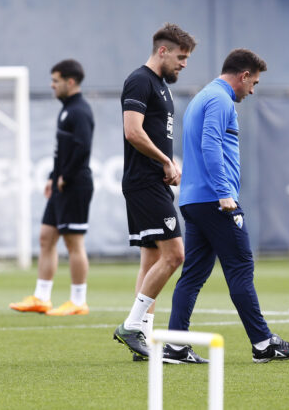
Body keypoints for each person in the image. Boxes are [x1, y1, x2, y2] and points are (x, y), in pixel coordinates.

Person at [165, 48, 289, 363]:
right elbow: (210, 144)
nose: (253, 90)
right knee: (241, 267)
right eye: (253, 83)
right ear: (242, 76)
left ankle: (175, 345)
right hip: (215, 201)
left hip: (193, 200)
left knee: (193, 275)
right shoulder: (220, 99)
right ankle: (262, 344)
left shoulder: (202, 97)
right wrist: (224, 192)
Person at [112, 23, 195, 360]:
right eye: (181, 56)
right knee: (175, 255)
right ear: (163, 51)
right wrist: (164, 161)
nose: (184, 64)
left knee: (151, 260)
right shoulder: (139, 80)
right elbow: (133, 132)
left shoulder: (162, 86)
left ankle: (142, 339)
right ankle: (132, 326)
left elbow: (155, 135)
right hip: (144, 182)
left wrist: (170, 163)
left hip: (153, 180)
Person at [10, 59, 95, 316]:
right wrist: (52, 176)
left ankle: (78, 301)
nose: (52, 85)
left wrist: (65, 177)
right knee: (46, 238)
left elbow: (82, 148)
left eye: (55, 81)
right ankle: (41, 297)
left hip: (75, 184)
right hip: (61, 184)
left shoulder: (80, 110)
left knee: (73, 243)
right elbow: (64, 150)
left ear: (70, 82)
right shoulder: (67, 109)